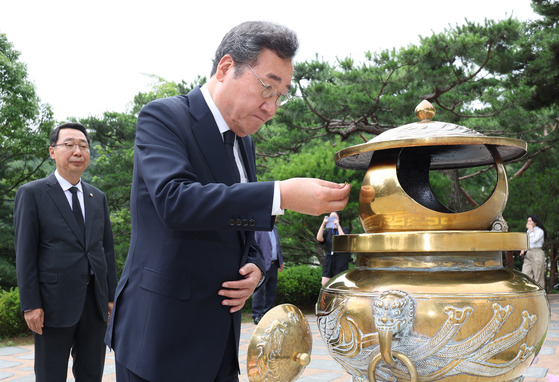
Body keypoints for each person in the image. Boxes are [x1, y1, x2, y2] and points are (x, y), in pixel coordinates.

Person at [105, 21, 350, 382]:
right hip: (161, 337)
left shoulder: (243, 141)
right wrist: (280, 194)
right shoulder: (164, 117)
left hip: (220, 338)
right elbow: (176, 201)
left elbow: (240, 225)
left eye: (281, 96)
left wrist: (253, 265)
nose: (272, 107)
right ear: (226, 68)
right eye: (267, 88)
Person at [14, 122, 117, 382]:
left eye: (83, 146)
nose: (77, 151)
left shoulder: (97, 197)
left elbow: (105, 251)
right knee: (50, 375)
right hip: (52, 305)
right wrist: (31, 304)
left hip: (94, 304)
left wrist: (110, 296)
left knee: (92, 373)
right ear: (52, 152)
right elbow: (25, 253)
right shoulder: (32, 193)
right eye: (69, 145)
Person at [252, 217, 284, 325]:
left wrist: (281, 262)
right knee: (259, 290)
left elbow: (277, 247)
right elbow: (255, 246)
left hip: (274, 265)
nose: (277, 216)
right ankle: (256, 315)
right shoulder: (259, 229)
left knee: (271, 290)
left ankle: (267, 313)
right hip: (262, 265)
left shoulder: (274, 228)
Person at [317, 211, 351, 286]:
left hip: (340, 260)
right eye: (330, 217)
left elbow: (343, 239)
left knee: (339, 284)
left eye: (334, 217)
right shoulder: (328, 231)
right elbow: (319, 238)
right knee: (324, 283)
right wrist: (323, 224)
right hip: (329, 259)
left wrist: (338, 226)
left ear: (339, 219)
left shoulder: (344, 229)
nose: (332, 219)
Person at [519, 215, 547, 288]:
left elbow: (534, 241)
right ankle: (529, 292)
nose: (528, 223)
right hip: (528, 253)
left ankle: (540, 294)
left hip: (537, 252)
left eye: (530, 221)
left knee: (538, 275)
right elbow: (526, 241)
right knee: (525, 274)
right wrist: (523, 249)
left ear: (535, 222)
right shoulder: (528, 231)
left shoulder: (540, 231)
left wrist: (531, 230)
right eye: (528, 221)